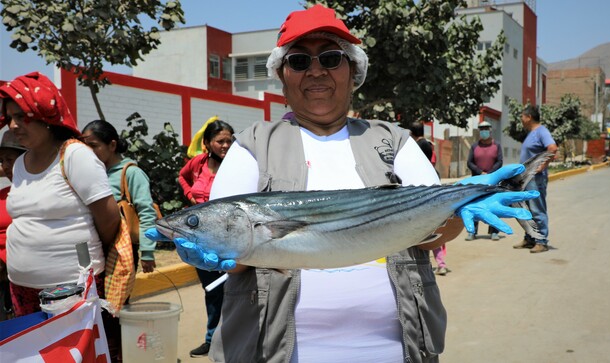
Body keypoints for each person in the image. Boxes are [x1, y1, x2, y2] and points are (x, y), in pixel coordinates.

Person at [147, 5, 536, 362]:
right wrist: (207, 246)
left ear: (353, 71)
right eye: (299, 61)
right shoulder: (252, 144)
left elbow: (430, 234)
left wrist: (456, 209)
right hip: (272, 351)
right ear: (282, 75)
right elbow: (240, 256)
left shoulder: (393, 140)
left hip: (393, 349)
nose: (316, 71)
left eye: (331, 58)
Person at [0, 72, 122, 359]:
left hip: (71, 289)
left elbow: (108, 219)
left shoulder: (75, 155)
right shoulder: (20, 164)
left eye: (21, 116)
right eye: (9, 118)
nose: (14, 125)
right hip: (23, 288)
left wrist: (81, 255)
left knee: (76, 355)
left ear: (45, 115)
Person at [178, 119, 235, 358]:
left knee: (235, 289)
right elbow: (182, 177)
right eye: (220, 141)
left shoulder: (236, 165)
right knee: (212, 291)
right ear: (208, 143)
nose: (225, 145)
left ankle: (235, 337)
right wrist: (190, 194)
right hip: (203, 240)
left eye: (229, 141)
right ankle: (212, 339)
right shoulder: (197, 163)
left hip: (230, 237)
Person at [81, 120, 158, 274]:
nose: (89, 151)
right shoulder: (89, 173)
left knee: (116, 298)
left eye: (94, 146)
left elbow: (146, 212)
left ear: (112, 145)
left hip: (121, 251)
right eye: (85, 147)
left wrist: (147, 252)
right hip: (92, 249)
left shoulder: (131, 173)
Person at [514, 105, 558, 253]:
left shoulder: (541, 131)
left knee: (537, 209)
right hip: (526, 178)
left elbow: (552, 148)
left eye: (522, 116)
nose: (521, 119)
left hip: (535, 178)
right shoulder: (531, 133)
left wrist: (543, 166)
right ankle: (530, 238)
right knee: (527, 209)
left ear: (528, 117)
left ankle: (541, 241)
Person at [409, 121, 448, 275]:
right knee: (433, 227)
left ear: (412, 133)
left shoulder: (415, 147)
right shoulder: (429, 145)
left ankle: (427, 264)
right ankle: (441, 263)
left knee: (424, 230)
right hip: (431, 186)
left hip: (422, 188)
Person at [0, 131, 26, 321]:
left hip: (23, 280)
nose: (5, 166)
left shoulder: (41, 194)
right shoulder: (2, 194)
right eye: (2, 161)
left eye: (10, 159)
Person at [466, 120, 503, 241]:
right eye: (481, 129)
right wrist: (480, 172)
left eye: (486, 129)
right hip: (477, 181)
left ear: (490, 130)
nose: (484, 131)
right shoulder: (474, 146)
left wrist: (490, 173)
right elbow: (469, 162)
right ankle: (472, 231)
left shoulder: (496, 146)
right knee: (475, 205)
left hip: (493, 181)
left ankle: (494, 231)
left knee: (493, 205)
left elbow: (499, 161)